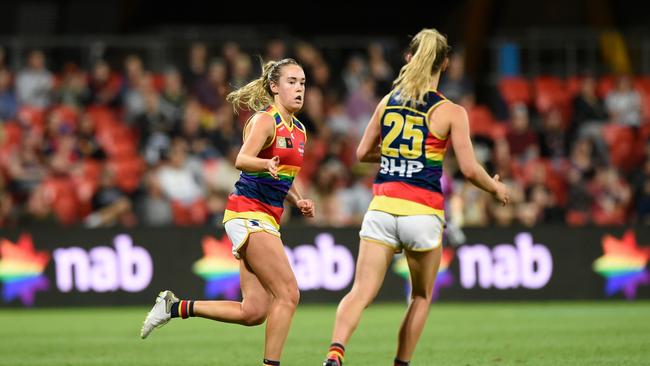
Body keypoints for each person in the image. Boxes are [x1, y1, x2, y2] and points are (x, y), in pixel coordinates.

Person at [322, 28, 509, 366]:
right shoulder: (452, 112)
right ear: (446, 63)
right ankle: (401, 364)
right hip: (422, 214)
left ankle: (335, 353)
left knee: (360, 292)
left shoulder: (387, 101)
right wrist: (495, 187)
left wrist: (398, 157)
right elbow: (468, 170)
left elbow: (362, 152)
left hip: (382, 208)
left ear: (409, 58)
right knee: (421, 296)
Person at [141, 58, 314, 366]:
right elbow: (242, 158)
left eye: (302, 82)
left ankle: (174, 307)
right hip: (247, 213)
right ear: (275, 87)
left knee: (254, 312)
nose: (299, 88)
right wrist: (264, 163)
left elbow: (285, 175)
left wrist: (298, 199)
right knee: (288, 294)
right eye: (291, 82)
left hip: (266, 218)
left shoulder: (299, 130)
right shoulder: (266, 120)